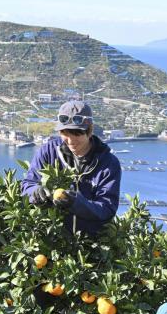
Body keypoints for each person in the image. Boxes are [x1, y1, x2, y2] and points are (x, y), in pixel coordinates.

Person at [20, 100, 121, 236]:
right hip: (51, 238)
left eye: (77, 134)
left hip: (89, 244)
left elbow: (107, 208)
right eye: (65, 133)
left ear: (89, 130)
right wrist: (36, 192)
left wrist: (76, 203)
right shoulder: (48, 151)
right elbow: (28, 184)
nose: (71, 140)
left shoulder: (108, 163)